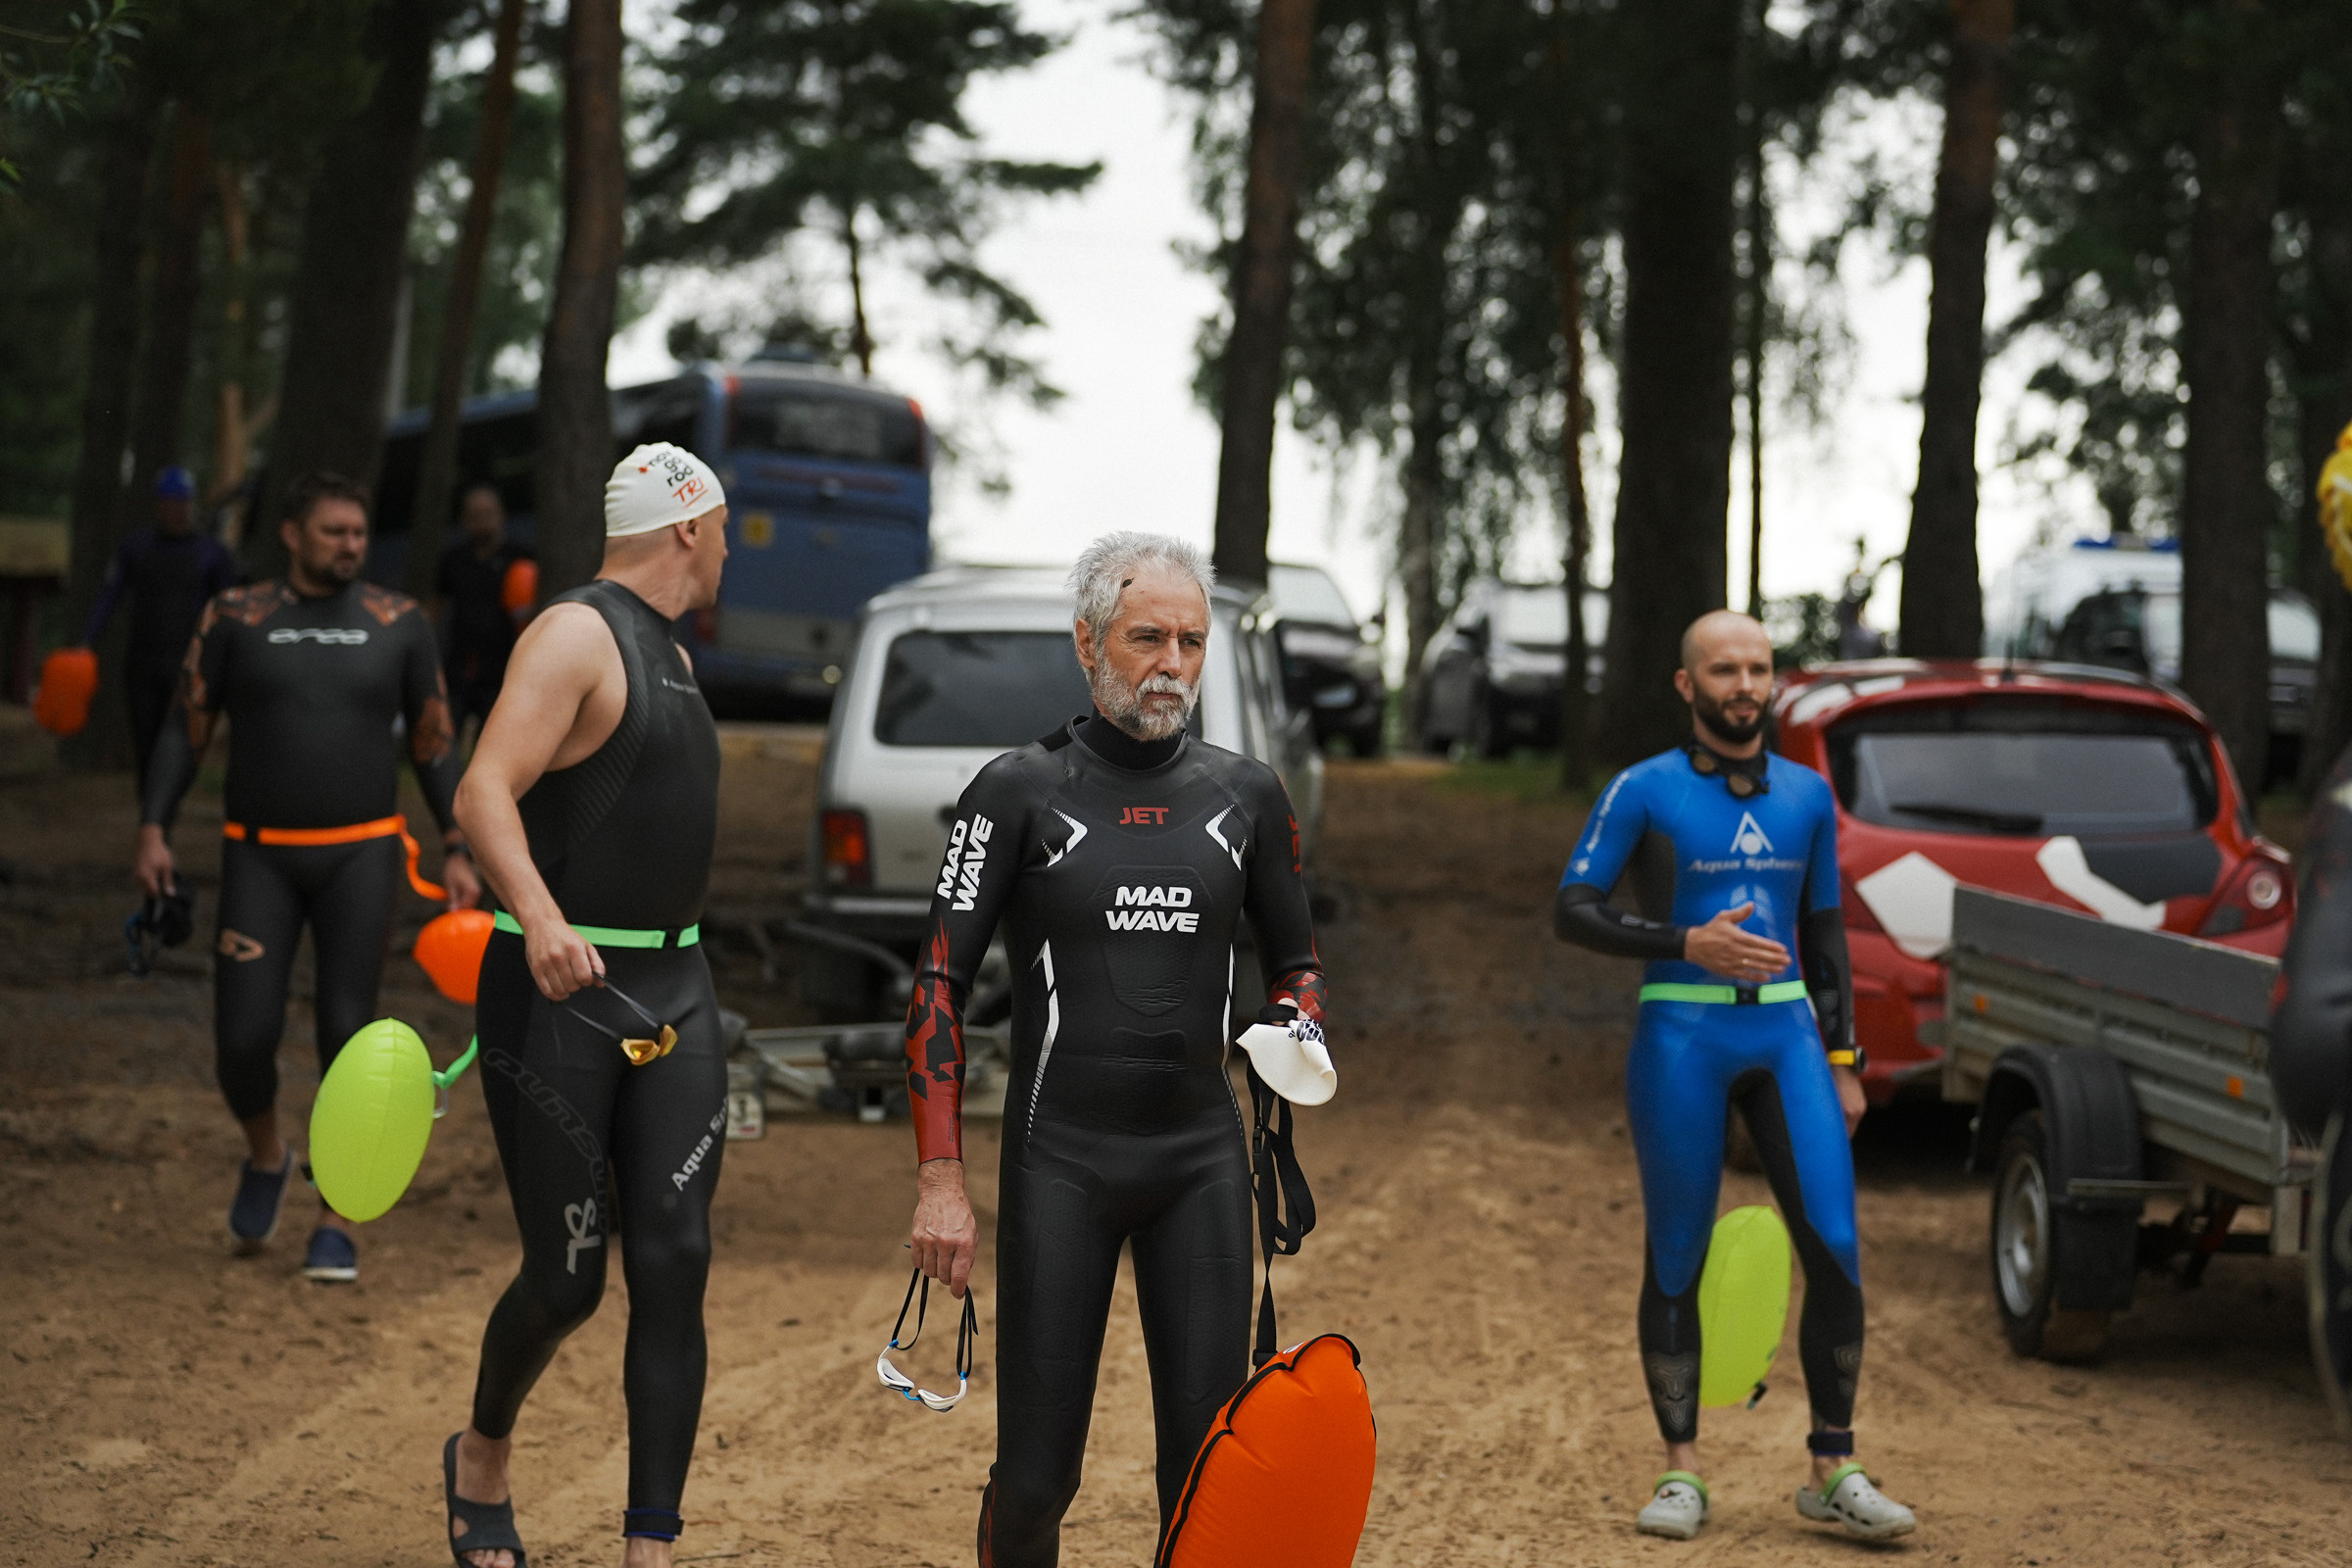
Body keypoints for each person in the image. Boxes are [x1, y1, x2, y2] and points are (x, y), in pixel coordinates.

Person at [905, 532, 1328, 1568]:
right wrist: (941, 1180)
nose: (1172, 663)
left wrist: (1299, 1031)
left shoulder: (1250, 795)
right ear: (1089, 642)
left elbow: (1297, 964)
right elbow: (935, 991)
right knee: (1040, 1478)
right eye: (1148, 638)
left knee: (1204, 1470)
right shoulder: (1016, 790)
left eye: (1191, 641)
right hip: (1065, 1160)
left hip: (1199, 1159)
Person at [1550, 610, 1915, 1543]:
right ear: (1689, 685)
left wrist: (1845, 1061)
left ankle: (1834, 1466)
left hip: (1791, 1039)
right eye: (1724, 670)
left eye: (1757, 668)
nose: (1744, 685)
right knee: (1676, 1253)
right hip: (1680, 1039)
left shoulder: (1805, 796)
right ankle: (1682, 1473)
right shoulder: (1643, 790)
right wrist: (1686, 942)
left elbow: (1826, 933)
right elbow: (1575, 910)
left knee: (1835, 1245)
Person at [441, 442, 730, 1568]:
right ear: (691, 527)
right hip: (559, 992)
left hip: (680, 989)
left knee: (678, 1256)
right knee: (567, 1279)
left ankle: (650, 1545)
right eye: (721, 532)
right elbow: (482, 788)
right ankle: (481, 1452)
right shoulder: (580, 633)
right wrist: (542, 916)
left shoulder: (676, 654)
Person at [135, 470, 482, 1282]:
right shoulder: (235, 618)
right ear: (291, 534)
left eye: (358, 533)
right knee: (243, 1040)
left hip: (362, 853)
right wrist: (152, 828)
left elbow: (433, 742)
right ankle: (267, 1155)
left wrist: (459, 844)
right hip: (257, 852)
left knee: (348, 1036)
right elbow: (185, 730)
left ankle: (337, 1216)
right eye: (334, 532)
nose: (351, 546)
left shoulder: (399, 623)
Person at [80, 465, 238, 796]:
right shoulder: (135, 546)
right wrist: (87, 642)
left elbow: (227, 609)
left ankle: (166, 807)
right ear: (157, 506)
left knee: (179, 739)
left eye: (181, 502)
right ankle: (149, 811)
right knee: (146, 737)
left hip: (187, 662)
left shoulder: (211, 553)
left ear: (191, 505)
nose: (174, 511)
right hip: (143, 659)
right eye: (167, 503)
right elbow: (110, 594)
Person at [434, 484, 533, 741]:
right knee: (449, 739)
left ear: (502, 515)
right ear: (464, 519)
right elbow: (436, 607)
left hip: (505, 667)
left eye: (488, 514)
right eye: (475, 515)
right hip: (459, 666)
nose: (483, 521)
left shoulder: (521, 558)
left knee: (496, 738)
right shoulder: (453, 560)